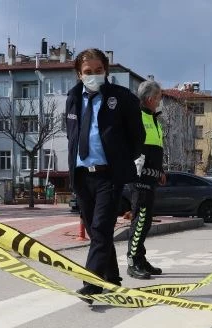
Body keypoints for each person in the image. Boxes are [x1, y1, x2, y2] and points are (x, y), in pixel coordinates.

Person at [65, 48, 144, 298]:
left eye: (99, 71)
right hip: (81, 175)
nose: (94, 75)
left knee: (100, 228)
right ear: (79, 74)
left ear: (106, 71)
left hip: (109, 175)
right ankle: (112, 277)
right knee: (96, 230)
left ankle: (92, 283)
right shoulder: (73, 98)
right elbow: (72, 134)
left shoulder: (122, 98)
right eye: (88, 72)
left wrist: (121, 160)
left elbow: (137, 137)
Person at [126, 80, 166, 280]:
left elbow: (155, 149)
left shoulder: (153, 118)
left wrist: (160, 170)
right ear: (150, 98)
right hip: (139, 177)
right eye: (158, 98)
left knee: (146, 220)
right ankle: (133, 261)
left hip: (152, 177)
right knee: (140, 220)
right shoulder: (137, 116)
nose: (159, 101)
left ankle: (141, 259)